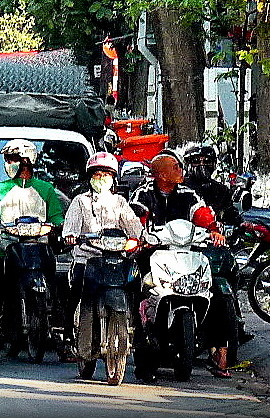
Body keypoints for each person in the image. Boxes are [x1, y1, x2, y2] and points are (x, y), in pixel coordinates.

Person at [129, 148, 232, 377]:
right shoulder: (143, 193)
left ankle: (220, 351)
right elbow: (137, 216)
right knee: (137, 289)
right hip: (152, 253)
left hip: (186, 254)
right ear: (162, 174)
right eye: (176, 167)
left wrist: (214, 230)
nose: (181, 171)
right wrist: (140, 236)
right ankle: (141, 350)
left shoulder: (188, 193)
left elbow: (202, 213)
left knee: (216, 291)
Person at [0, 139, 65, 349]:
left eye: (12, 159)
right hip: (7, 250)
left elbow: (57, 217)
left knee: (56, 292)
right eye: (7, 160)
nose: (8, 164)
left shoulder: (46, 189)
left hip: (39, 248)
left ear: (27, 161)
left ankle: (63, 338)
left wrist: (58, 226)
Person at [61, 152, 143, 339]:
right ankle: (68, 334)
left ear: (113, 178)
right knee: (77, 288)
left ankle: (139, 331)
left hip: (116, 259)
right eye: (97, 175)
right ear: (90, 177)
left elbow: (134, 227)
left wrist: (143, 238)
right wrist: (71, 237)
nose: (101, 179)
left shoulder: (120, 202)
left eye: (106, 175)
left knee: (135, 285)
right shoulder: (80, 201)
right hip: (87, 258)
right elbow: (70, 228)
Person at [182, 144, 240, 226]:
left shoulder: (222, 190)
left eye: (207, 161)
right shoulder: (180, 188)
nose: (202, 165)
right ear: (188, 164)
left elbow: (231, 216)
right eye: (196, 161)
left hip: (216, 235)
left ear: (214, 164)